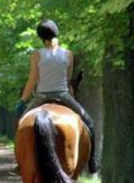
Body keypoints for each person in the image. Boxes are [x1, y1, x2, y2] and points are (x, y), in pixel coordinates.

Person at [14, 20, 100, 173]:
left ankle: (20, 163)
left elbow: (32, 80)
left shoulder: (37, 55)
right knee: (89, 122)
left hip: (41, 96)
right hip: (63, 95)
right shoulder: (68, 54)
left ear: (41, 36)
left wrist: (23, 100)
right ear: (56, 33)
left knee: (22, 124)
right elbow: (67, 80)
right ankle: (93, 162)